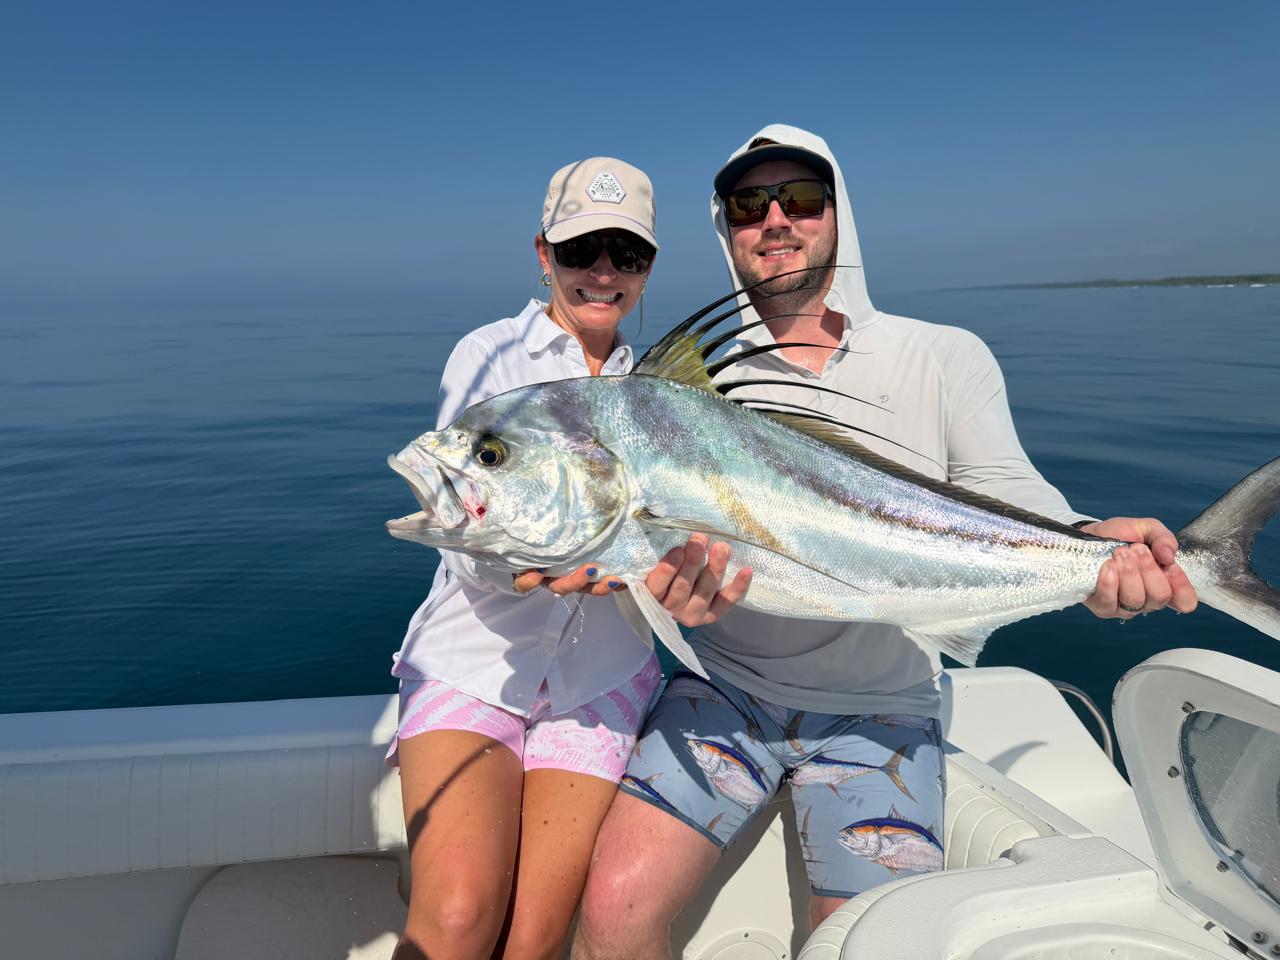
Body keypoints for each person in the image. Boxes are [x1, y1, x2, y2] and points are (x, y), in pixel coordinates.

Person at [571, 125, 1199, 958]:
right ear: (726, 231)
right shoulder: (691, 385)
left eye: (801, 198)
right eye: (749, 206)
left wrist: (1088, 547)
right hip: (723, 690)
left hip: (885, 708)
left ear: (839, 213)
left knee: (866, 943)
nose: (776, 220)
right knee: (611, 914)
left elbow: (1007, 489)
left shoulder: (942, 356)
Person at [388, 157, 750, 960]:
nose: (604, 272)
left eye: (629, 253)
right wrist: (516, 568)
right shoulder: (490, 354)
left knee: (535, 940)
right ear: (543, 253)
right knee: (457, 918)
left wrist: (691, 580)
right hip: (475, 663)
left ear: (649, 266)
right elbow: (465, 517)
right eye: (582, 249)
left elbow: (685, 540)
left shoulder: (660, 396)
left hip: (602, 676)